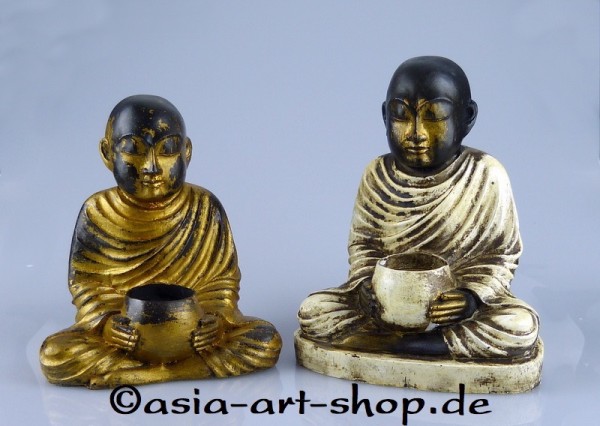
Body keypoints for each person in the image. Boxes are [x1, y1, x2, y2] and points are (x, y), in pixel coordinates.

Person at [298, 57, 540, 359]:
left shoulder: (485, 174)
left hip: (449, 309)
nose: (416, 132)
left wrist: (471, 297)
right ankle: (421, 347)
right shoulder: (377, 174)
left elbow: (501, 254)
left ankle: (401, 347)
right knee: (314, 312)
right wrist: (364, 288)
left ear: (466, 117)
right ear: (385, 116)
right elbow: (364, 246)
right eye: (401, 115)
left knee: (518, 327)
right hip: (387, 303)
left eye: (434, 115)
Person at [40, 95, 281, 388]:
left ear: (187, 152)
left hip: (194, 334)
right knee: (55, 355)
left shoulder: (204, 206)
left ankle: (160, 373)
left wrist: (215, 320)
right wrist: (105, 325)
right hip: (129, 336)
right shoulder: (98, 211)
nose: (151, 168)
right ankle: (192, 369)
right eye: (133, 150)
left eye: (167, 149)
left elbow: (221, 280)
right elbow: (87, 284)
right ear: (107, 153)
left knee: (266, 340)